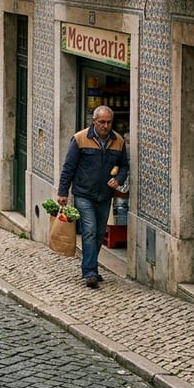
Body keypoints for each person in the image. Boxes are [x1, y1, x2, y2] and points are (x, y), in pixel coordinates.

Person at [57, 105, 129, 289]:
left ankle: (92, 267)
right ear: (94, 121)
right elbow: (69, 167)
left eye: (108, 122)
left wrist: (118, 179)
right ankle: (89, 271)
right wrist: (63, 192)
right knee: (89, 230)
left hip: (104, 195)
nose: (105, 126)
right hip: (83, 193)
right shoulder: (80, 139)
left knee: (98, 233)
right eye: (102, 122)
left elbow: (124, 166)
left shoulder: (118, 141)